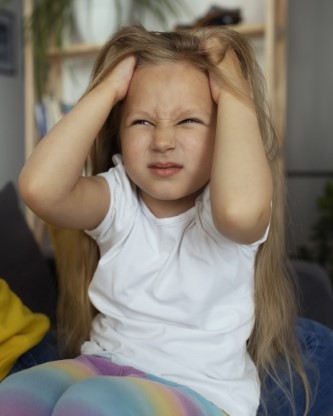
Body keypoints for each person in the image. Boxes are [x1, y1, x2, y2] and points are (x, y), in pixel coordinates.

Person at [0, 25, 329, 416]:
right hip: (102, 365)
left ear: (226, 129)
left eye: (188, 121)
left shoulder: (228, 203)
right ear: (118, 131)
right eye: (141, 122)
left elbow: (239, 210)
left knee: (93, 404)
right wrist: (108, 89)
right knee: (14, 396)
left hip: (195, 388)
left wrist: (232, 81)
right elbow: (39, 189)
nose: (162, 141)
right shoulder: (119, 197)